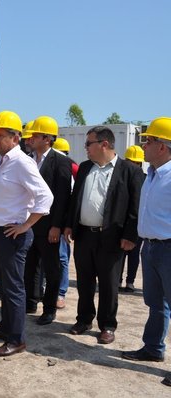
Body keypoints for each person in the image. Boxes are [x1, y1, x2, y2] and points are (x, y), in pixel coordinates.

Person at [0, 110, 53, 357]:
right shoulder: (2, 160)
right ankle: (6, 327)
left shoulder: (22, 162)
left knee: (14, 288)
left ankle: (17, 339)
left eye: (1, 135)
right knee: (4, 285)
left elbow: (45, 196)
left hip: (13, 235)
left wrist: (26, 225)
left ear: (15, 138)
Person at [63, 126, 143, 344]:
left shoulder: (129, 171)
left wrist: (130, 236)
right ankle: (84, 319)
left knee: (108, 284)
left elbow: (135, 208)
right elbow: (75, 199)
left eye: (89, 143)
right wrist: (69, 224)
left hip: (111, 237)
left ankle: (107, 325)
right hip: (84, 236)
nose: (85, 148)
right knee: (85, 281)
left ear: (104, 144)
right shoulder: (85, 168)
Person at [120, 117, 171, 387]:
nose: (144, 146)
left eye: (148, 141)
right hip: (150, 248)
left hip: (168, 248)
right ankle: (153, 348)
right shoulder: (151, 174)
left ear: (162, 147)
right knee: (155, 303)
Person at [23, 116, 72, 325]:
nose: (31, 138)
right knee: (29, 266)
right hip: (27, 224)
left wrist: (57, 226)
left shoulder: (61, 162)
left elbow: (62, 197)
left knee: (51, 269)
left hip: (49, 226)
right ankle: (30, 301)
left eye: (35, 135)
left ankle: (49, 308)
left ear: (47, 138)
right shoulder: (27, 159)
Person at [52, 136, 77, 309]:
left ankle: (60, 293)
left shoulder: (72, 167)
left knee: (61, 257)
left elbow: (72, 198)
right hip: (47, 219)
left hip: (61, 221)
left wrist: (67, 224)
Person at [120, 145, 146, 292]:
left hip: (135, 222)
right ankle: (123, 281)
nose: (134, 165)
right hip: (129, 221)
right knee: (123, 253)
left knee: (131, 253)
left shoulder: (144, 179)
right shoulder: (145, 179)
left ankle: (129, 281)